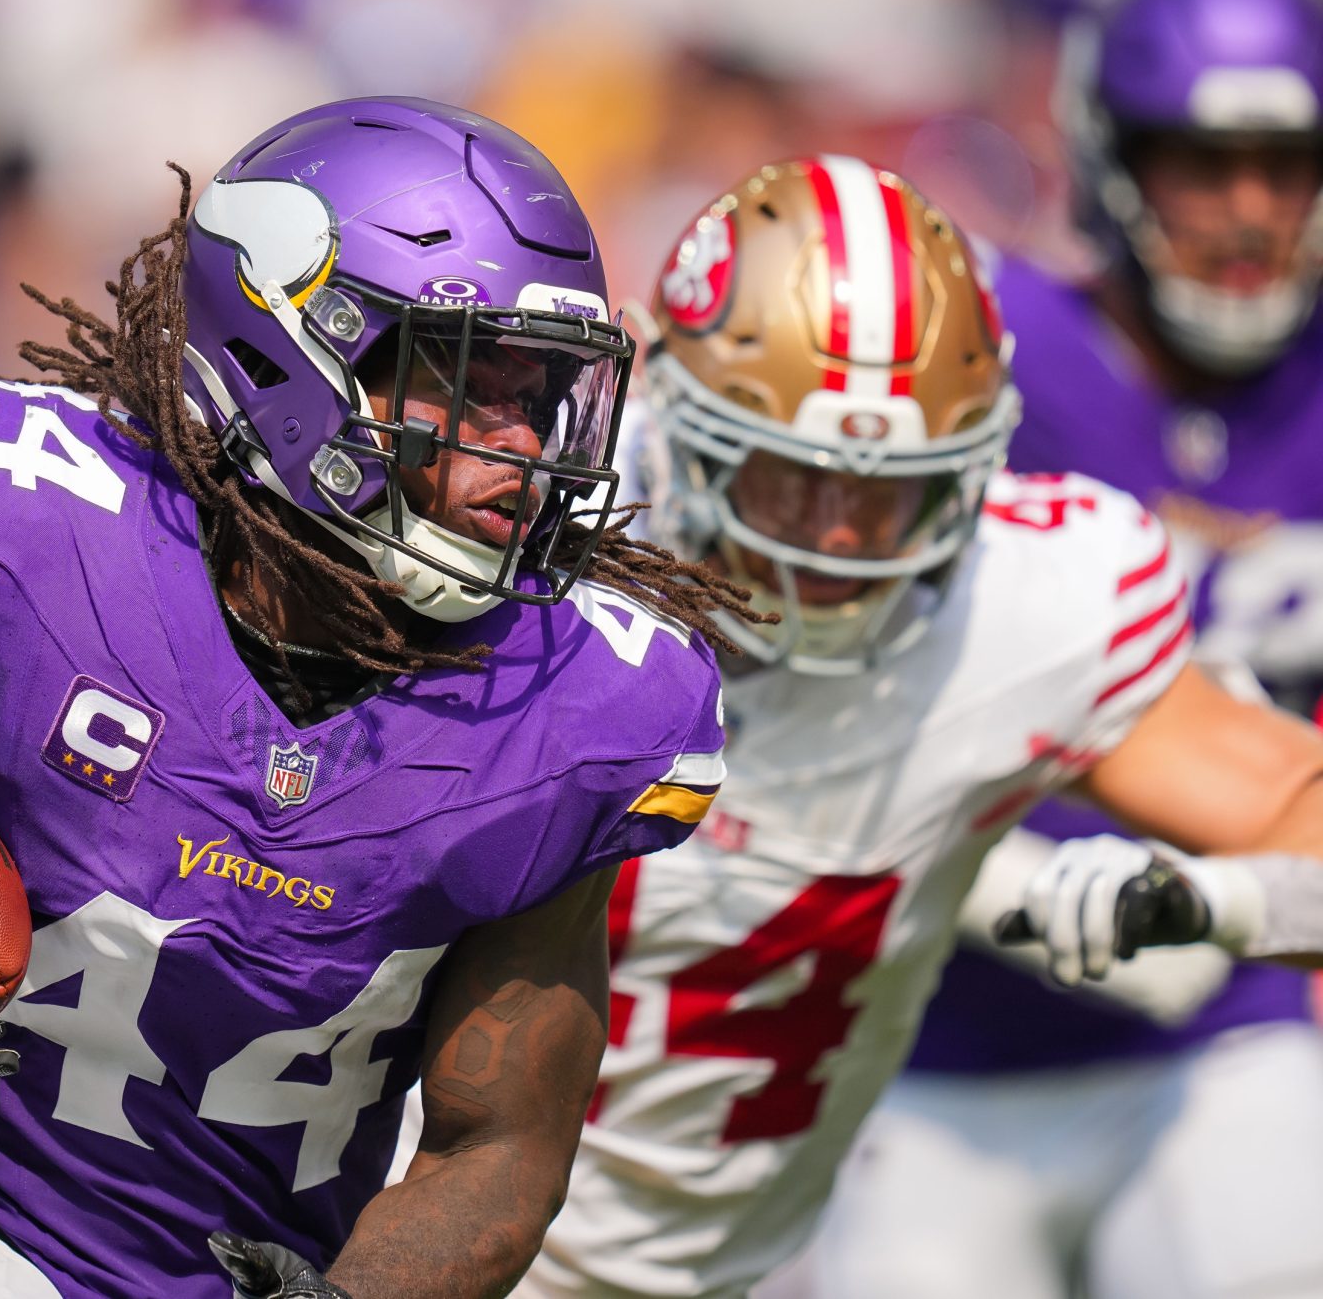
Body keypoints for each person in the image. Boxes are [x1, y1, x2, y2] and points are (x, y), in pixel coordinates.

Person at [0, 96, 750, 1298]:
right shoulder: (43, 543)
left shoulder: (564, 710)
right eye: (470, 386)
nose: (517, 454)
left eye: (541, 395)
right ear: (293, 357)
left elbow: (496, 1140)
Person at [522, 152, 1323, 1299]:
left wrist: (1208, 898)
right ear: (686, 427)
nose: (838, 541)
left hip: (696, 1270)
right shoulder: (532, 546)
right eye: (794, 482)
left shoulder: (1028, 599)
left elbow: (1291, 813)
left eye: (891, 489)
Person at [814, 0, 1323, 1295]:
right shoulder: (982, 354)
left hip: (1222, 1029)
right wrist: (997, 885)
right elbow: (813, 685)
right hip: (934, 1046)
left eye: (1287, 167)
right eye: (1206, 166)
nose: (1253, 213)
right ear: (1112, 157)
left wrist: (1240, 899)